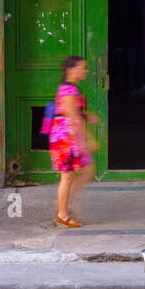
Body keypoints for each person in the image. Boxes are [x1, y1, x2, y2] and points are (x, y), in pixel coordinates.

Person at [49, 56, 98, 227]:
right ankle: (63, 213)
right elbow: (72, 117)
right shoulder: (69, 90)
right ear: (70, 70)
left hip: (68, 136)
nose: (84, 71)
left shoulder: (70, 89)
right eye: (81, 67)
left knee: (87, 170)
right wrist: (86, 140)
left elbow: (71, 112)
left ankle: (65, 203)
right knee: (67, 176)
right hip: (66, 138)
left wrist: (86, 116)